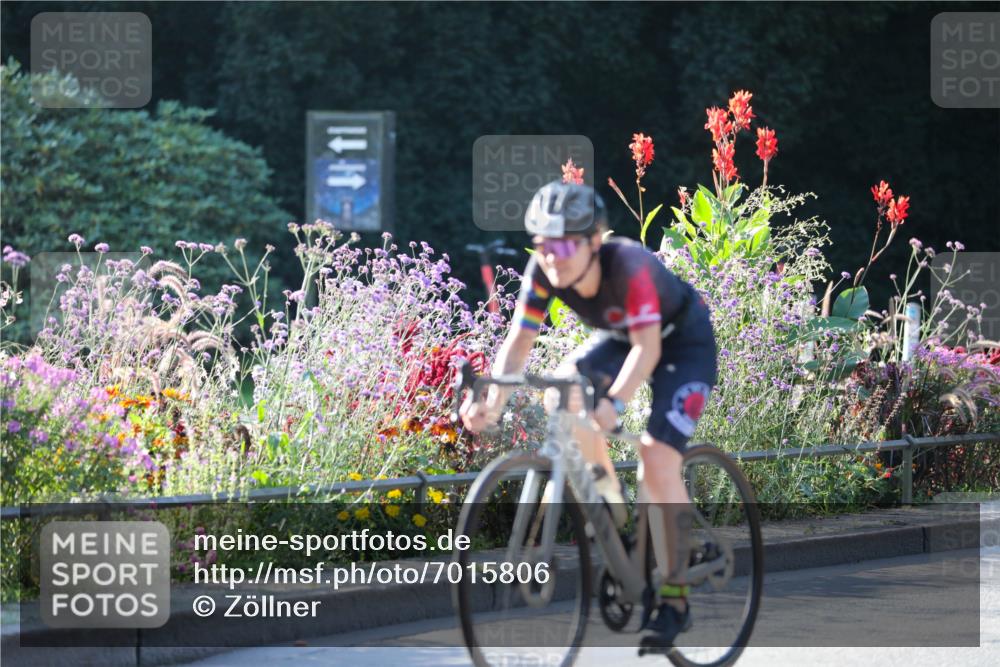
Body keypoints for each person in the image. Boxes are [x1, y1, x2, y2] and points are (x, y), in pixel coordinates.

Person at [459, 180, 719, 648]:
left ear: (594, 241)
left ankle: (676, 597)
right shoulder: (543, 269)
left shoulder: (630, 267)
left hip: (682, 342)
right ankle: (615, 509)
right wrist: (491, 401)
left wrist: (614, 404)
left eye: (562, 245)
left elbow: (649, 349)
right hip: (622, 339)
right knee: (560, 395)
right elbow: (519, 342)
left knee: (655, 457)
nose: (552, 257)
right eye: (543, 245)